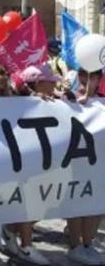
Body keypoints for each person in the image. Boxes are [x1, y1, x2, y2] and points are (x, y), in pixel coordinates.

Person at [0, 61, 49, 266]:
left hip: (10, 160)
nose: (3, 77)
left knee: (10, 201)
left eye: (4, 73)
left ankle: (4, 242)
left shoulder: (12, 100)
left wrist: (38, 100)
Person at [65, 68, 104, 265]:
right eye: (86, 76)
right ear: (79, 76)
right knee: (77, 203)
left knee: (97, 204)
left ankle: (88, 244)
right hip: (76, 160)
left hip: (99, 161)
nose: (90, 80)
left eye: (95, 77)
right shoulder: (67, 97)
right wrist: (78, 103)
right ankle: (75, 245)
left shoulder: (102, 101)